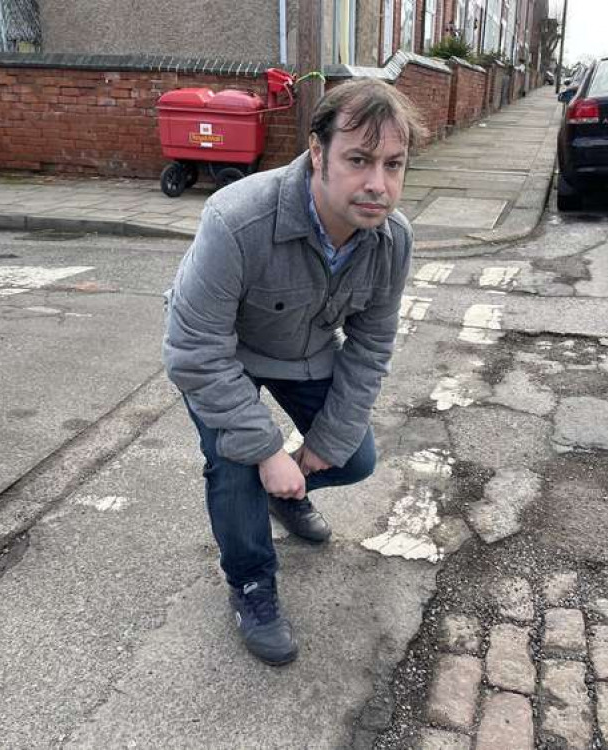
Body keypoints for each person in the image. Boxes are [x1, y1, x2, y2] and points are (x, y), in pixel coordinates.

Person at [163, 79, 426, 666]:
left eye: (393, 164)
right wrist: (265, 450)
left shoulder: (392, 240)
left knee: (353, 457)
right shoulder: (237, 218)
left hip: (300, 349)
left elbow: (371, 344)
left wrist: (317, 449)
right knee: (235, 466)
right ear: (317, 152)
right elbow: (193, 346)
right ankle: (252, 582)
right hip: (221, 354)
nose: (377, 184)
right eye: (358, 160)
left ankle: (282, 496)